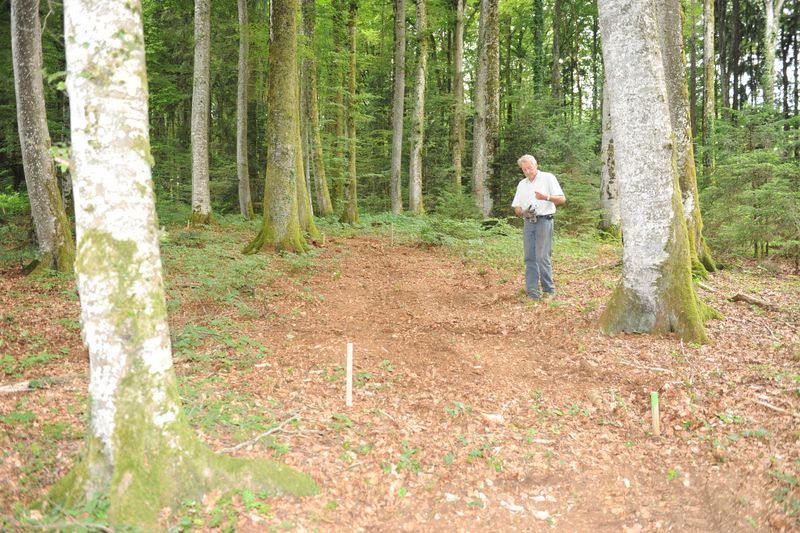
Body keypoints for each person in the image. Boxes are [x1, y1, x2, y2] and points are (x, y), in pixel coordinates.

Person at [511, 154, 566, 300]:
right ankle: (533, 293)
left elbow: (562, 199)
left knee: (542, 256)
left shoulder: (548, 178)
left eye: (529, 168)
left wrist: (545, 197)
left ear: (536, 165)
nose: (527, 171)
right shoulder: (522, 184)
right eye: (524, 169)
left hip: (544, 220)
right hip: (529, 221)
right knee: (529, 257)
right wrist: (523, 211)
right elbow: (516, 208)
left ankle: (549, 290)